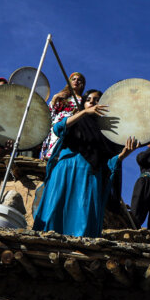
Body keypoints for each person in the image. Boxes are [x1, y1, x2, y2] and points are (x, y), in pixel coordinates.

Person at [33, 93, 137, 237]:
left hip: (90, 174)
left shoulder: (109, 131)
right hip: (66, 169)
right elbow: (58, 128)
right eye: (88, 100)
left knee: (83, 213)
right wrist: (83, 113)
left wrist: (123, 155)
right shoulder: (76, 120)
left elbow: (109, 162)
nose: (92, 102)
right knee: (55, 208)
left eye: (97, 100)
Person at [41, 72, 86, 159]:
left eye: (79, 80)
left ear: (82, 84)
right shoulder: (62, 97)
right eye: (74, 79)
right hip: (59, 124)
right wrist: (55, 98)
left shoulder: (84, 101)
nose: (76, 81)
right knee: (54, 148)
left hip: (74, 126)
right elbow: (49, 113)